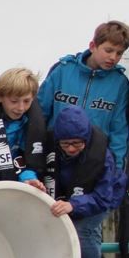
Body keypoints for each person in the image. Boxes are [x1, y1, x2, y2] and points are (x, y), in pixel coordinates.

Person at [48, 107, 127, 258]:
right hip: (71, 196)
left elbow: (103, 198)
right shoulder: (50, 149)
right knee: (61, 232)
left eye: (77, 144)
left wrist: (75, 204)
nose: (72, 149)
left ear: (86, 140)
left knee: (84, 232)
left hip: (103, 197)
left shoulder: (102, 157)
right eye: (66, 144)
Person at [38, 21, 129, 170]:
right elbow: (40, 113)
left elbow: (119, 130)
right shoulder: (62, 70)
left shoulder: (120, 83)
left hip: (94, 161)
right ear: (93, 46)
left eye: (119, 53)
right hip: (54, 157)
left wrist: (116, 171)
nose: (113, 57)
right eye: (108, 50)